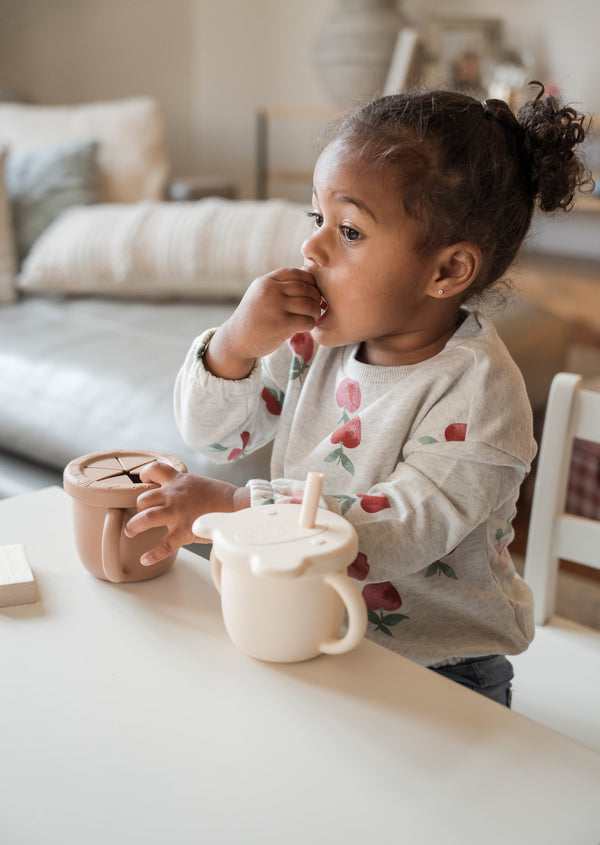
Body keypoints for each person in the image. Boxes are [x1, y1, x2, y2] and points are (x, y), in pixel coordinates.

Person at [125, 84, 592, 705]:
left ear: (447, 271)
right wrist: (233, 347)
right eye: (316, 217)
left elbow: (399, 529)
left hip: (439, 668)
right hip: (308, 618)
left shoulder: (481, 395)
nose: (311, 246)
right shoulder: (311, 340)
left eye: (349, 230)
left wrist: (240, 509)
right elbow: (215, 435)